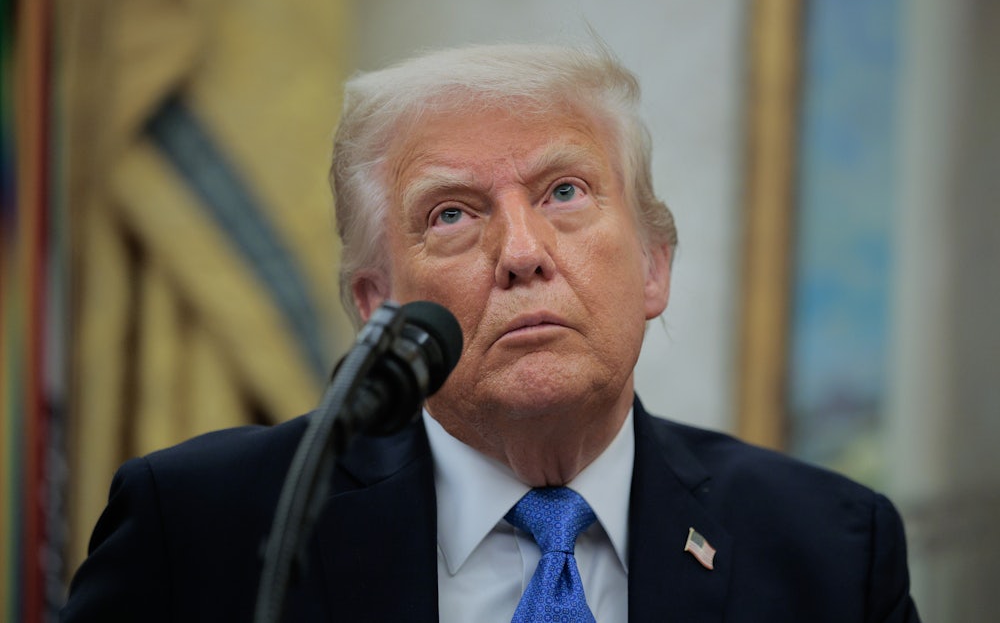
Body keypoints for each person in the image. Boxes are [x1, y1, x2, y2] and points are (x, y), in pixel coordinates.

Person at [62, 41, 921, 622]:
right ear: (377, 303)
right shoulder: (200, 528)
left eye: (564, 193)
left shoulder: (830, 551)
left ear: (654, 266)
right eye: (451, 213)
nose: (521, 253)